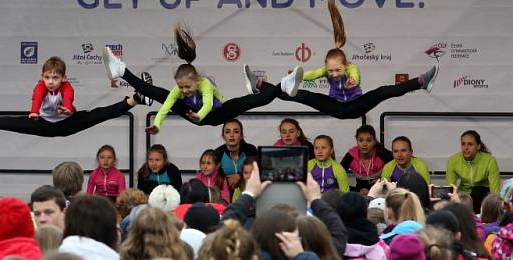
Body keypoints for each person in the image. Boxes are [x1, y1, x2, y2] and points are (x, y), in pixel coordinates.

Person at [102, 22, 301, 134]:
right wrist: (158, 124)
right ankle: (122, 70)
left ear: (196, 81)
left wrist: (200, 115)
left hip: (216, 112)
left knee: (253, 101)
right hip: (193, 115)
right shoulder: (178, 91)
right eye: (181, 87)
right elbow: (165, 105)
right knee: (160, 94)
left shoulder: (204, 84)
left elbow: (206, 104)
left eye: (188, 87)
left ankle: (281, 85)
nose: (185, 90)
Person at [254, 0, 439, 119]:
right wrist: (297, 76)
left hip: (355, 106)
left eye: (338, 70)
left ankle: (421, 82)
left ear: (346, 65)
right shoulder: (326, 71)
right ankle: (260, 85)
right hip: (334, 106)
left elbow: (355, 75)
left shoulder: (351, 69)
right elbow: (311, 74)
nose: (334, 74)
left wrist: (353, 81)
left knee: (382, 91)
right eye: (331, 70)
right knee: (297, 95)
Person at [0, 56, 147, 137]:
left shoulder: (67, 88)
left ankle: (137, 98)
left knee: (99, 114)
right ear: (42, 77)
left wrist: (67, 109)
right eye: (47, 77)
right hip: (42, 123)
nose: (51, 81)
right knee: (4, 122)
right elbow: (36, 99)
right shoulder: (40, 87)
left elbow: (68, 99)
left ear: (63, 78)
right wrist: (33, 113)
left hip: (68, 123)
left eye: (55, 78)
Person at [446, 130, 500, 213]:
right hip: (464, 194)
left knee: (477, 192)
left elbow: (495, 192)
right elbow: (450, 188)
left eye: (470, 144)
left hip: (482, 194)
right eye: (463, 144)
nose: (466, 148)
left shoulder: (490, 161)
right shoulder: (453, 160)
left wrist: (494, 208)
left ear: (478, 146)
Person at [340, 125, 393, 194]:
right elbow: (338, 174)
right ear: (357, 141)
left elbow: (396, 169)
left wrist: (383, 180)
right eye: (361, 140)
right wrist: (357, 191)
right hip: (360, 189)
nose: (364, 144)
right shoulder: (351, 155)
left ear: (374, 141)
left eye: (369, 140)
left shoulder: (382, 153)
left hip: (380, 188)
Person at [215, 119, 258, 201]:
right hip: (224, 198)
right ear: (223, 136)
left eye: (236, 132)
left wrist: (240, 176)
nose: (231, 135)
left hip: (249, 196)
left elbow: (257, 171)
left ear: (241, 136)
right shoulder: (218, 153)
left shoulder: (250, 150)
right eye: (227, 132)